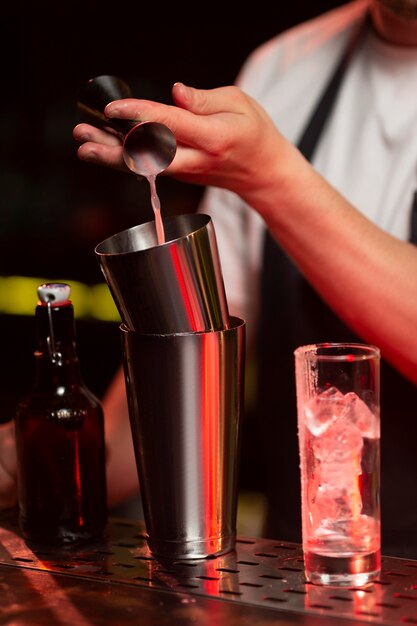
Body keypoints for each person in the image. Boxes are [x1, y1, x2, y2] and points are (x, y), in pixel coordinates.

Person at [3, 0, 417, 556]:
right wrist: (40, 456)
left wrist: (271, 176)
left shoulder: (264, 137)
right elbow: (181, 389)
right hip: (304, 579)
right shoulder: (286, 69)